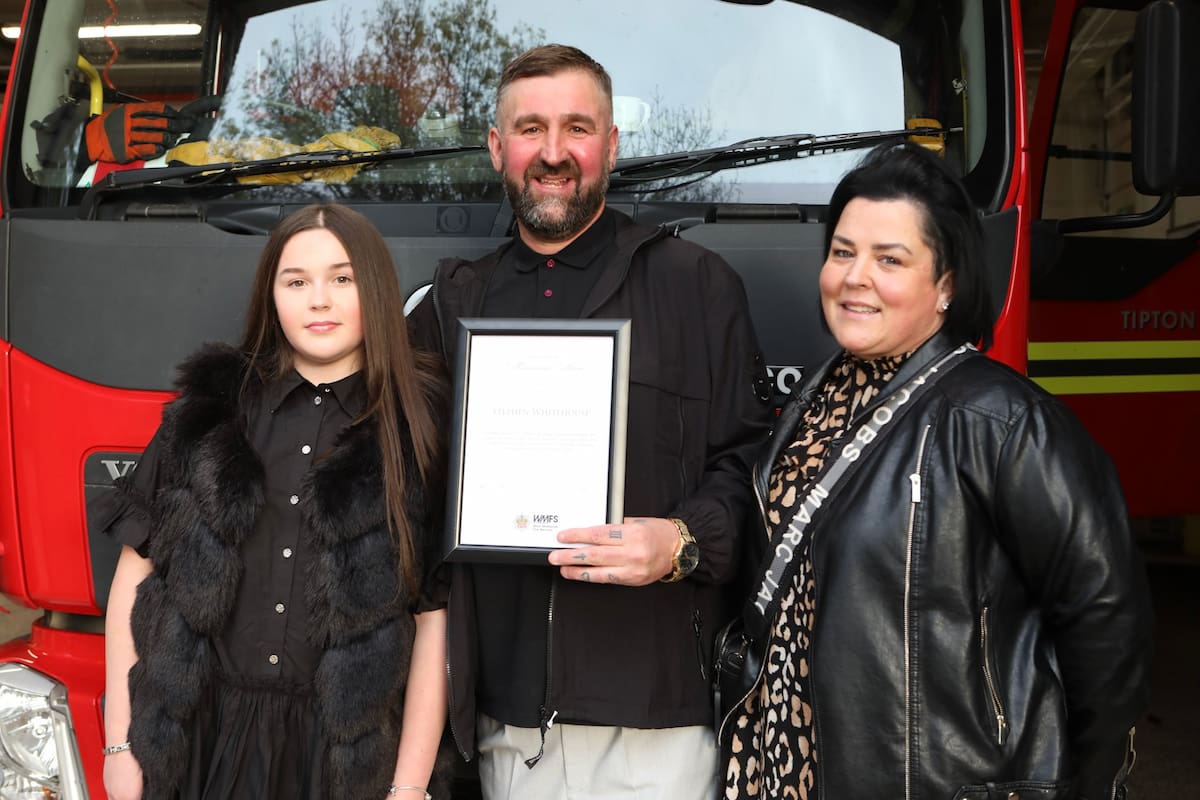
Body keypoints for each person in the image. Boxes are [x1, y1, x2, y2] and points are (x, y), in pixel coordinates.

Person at [719, 140, 1153, 800]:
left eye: (889, 259)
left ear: (945, 283)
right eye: (842, 252)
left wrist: (1080, 785)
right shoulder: (812, 402)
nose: (854, 277)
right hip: (783, 773)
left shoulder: (1003, 422)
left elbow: (1106, 622)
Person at [408, 44, 773, 799]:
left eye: (577, 127)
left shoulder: (698, 286)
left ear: (610, 146)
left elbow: (755, 468)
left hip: (657, 723)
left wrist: (678, 543)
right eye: (529, 128)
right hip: (504, 731)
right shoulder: (449, 306)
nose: (552, 153)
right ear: (496, 148)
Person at [102, 204, 450, 800]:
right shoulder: (211, 412)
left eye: (342, 279)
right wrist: (120, 745)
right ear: (272, 295)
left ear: (376, 287)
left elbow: (434, 619)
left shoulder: (419, 428)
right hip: (202, 746)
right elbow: (136, 571)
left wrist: (409, 788)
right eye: (297, 281)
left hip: (345, 765)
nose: (319, 300)